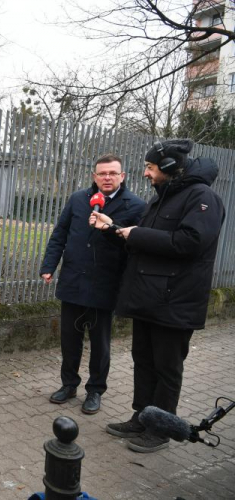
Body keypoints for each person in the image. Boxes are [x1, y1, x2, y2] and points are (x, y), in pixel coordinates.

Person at [90, 139, 225, 453]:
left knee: (167, 368)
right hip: (148, 299)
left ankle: (161, 429)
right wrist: (115, 230)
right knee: (144, 361)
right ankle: (142, 417)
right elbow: (147, 243)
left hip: (175, 302)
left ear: (167, 168)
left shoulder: (202, 197)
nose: (146, 173)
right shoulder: (161, 199)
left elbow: (190, 242)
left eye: (150, 167)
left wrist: (136, 233)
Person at [40, 154, 145, 415]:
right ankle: (69, 384)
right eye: (102, 173)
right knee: (69, 339)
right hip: (74, 281)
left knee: (100, 344)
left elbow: (137, 244)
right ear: (94, 176)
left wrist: (110, 228)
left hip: (105, 285)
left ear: (122, 176)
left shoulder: (136, 206)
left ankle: (95, 390)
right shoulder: (78, 199)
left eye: (112, 173)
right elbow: (60, 234)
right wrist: (48, 266)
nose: (106, 178)